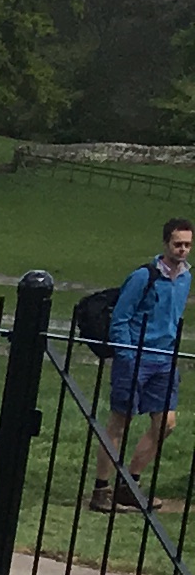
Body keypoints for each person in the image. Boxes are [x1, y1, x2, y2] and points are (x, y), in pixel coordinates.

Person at [98, 213, 191, 511]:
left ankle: (130, 484)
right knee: (120, 422)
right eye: (178, 244)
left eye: (187, 245)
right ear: (165, 243)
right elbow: (121, 317)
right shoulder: (144, 276)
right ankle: (101, 489)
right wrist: (127, 354)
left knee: (166, 423)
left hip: (165, 360)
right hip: (136, 357)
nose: (183, 250)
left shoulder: (186, 278)